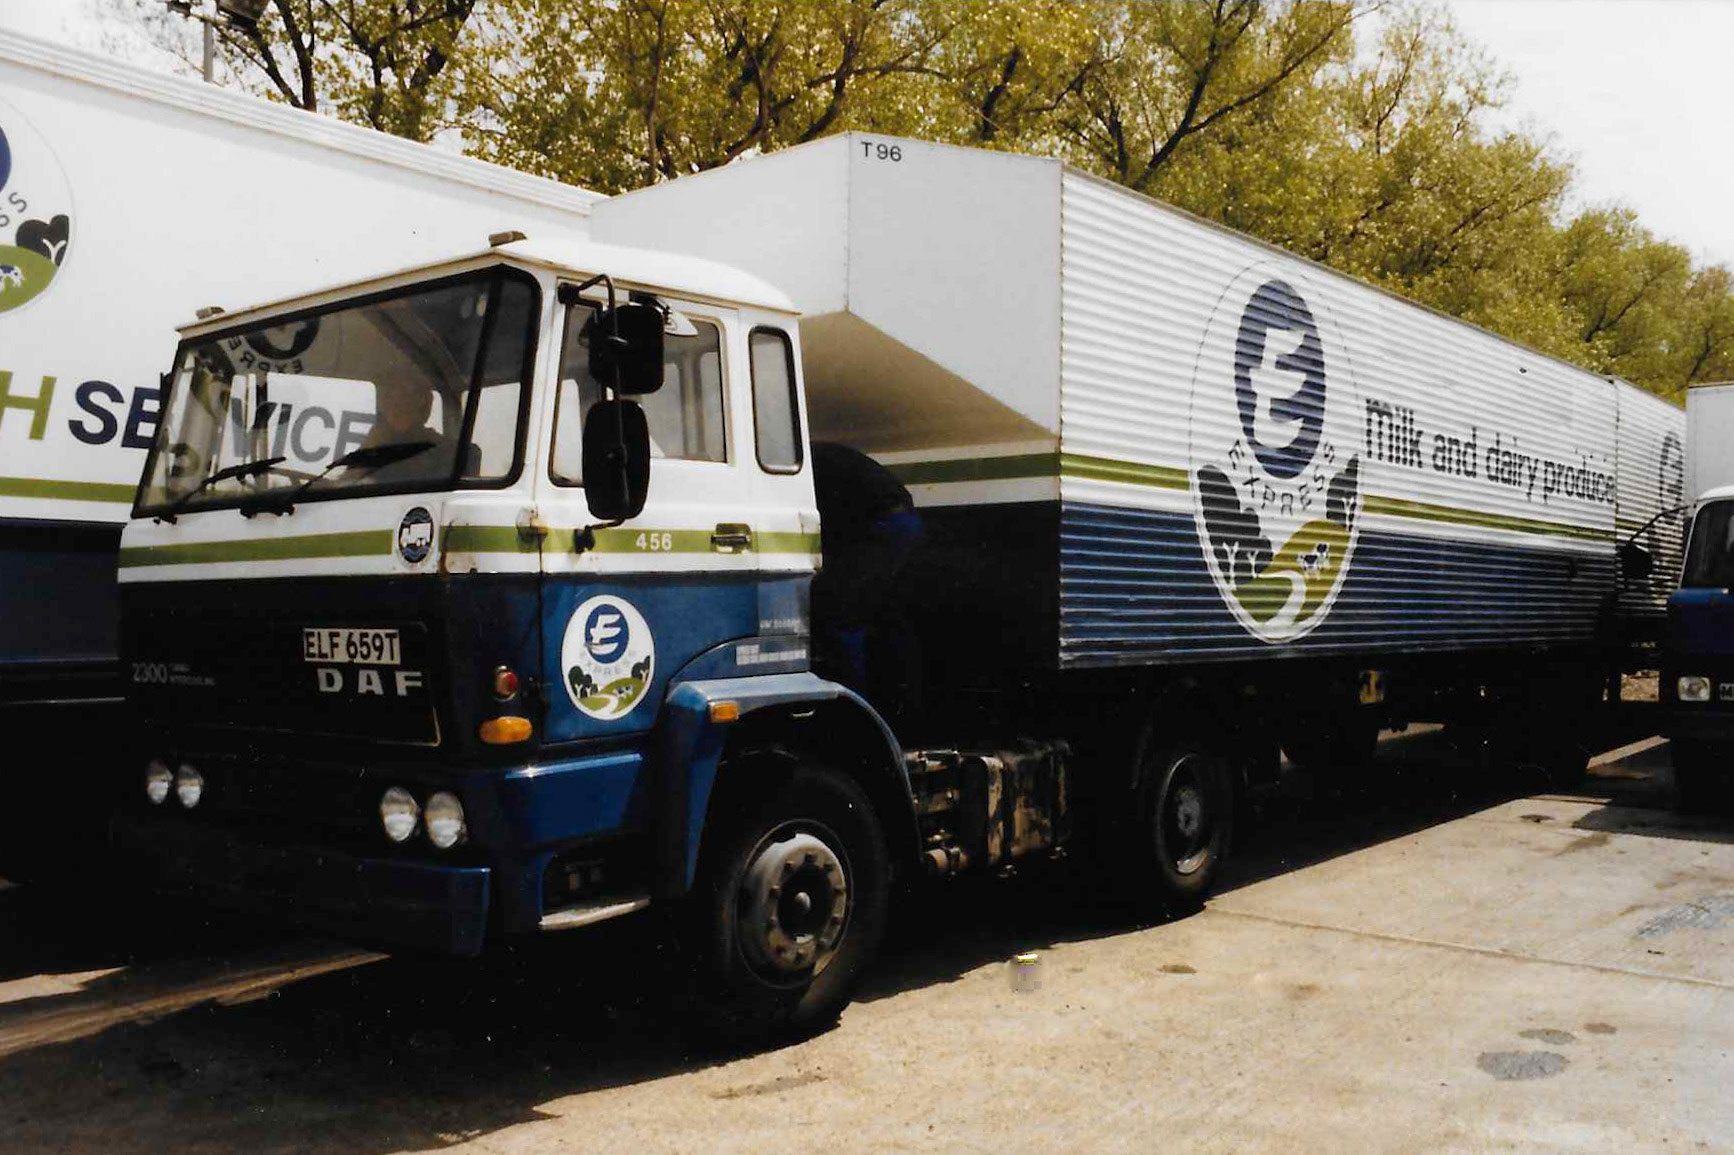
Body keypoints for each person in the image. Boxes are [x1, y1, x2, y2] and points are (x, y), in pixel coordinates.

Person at [809, 442, 923, 702]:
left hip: (882, 526)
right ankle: (899, 697)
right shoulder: (821, 453)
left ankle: (851, 702)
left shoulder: (802, 465)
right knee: (879, 613)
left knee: (839, 615)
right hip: (899, 521)